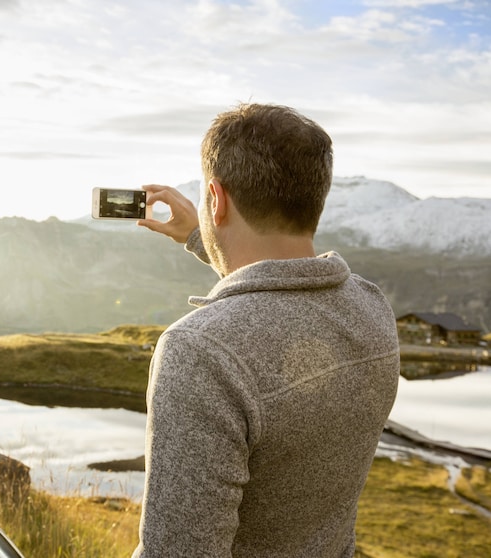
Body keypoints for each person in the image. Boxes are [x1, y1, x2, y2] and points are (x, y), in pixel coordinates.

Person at [131, 103, 400, 557]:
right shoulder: (370, 306)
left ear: (215, 200)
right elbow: (282, 290)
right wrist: (202, 236)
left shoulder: (200, 352)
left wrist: (211, 232)